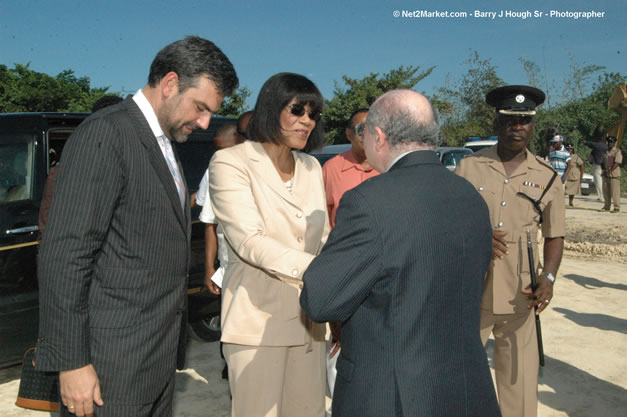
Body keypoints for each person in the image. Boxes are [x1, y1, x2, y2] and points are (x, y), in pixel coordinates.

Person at [36, 36, 238, 417]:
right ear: (170, 83)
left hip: (154, 360)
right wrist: (72, 362)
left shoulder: (162, 143)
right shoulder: (107, 134)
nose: (205, 122)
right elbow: (66, 255)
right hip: (109, 366)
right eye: (200, 107)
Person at [300, 89, 500, 417]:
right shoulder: (469, 195)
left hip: (393, 395)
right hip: (463, 389)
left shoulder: (369, 201)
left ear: (378, 136)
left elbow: (321, 300)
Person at [208, 72, 329, 417]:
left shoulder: (311, 167)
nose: (306, 121)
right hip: (255, 322)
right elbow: (249, 241)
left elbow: (322, 239)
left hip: (309, 320)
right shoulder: (231, 162)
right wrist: (321, 269)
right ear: (272, 108)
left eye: (313, 114)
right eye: (297, 110)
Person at [456, 85, 565, 417]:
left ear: (532, 126)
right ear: (496, 125)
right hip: (471, 290)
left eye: (523, 121)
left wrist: (548, 276)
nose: (516, 127)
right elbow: (449, 223)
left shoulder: (548, 178)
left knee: (518, 383)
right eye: (509, 120)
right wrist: (477, 237)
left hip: (521, 293)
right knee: (459, 376)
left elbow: (555, 235)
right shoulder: (468, 168)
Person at [322, 108, 378, 229]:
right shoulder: (332, 168)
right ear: (348, 133)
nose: (367, 135)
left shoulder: (388, 168)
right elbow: (322, 217)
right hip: (341, 245)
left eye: (372, 129)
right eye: (361, 129)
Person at [191, 123, 238, 209]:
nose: (219, 154)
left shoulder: (216, 169)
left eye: (225, 149)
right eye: (217, 149)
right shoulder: (213, 169)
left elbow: (199, 200)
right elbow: (199, 198)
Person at [601, 136, 622, 213]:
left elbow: (617, 163)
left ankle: (616, 207)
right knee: (606, 191)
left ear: (614, 143)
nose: (610, 143)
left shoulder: (617, 151)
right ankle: (606, 206)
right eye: (609, 142)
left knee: (615, 192)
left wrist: (610, 171)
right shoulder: (605, 152)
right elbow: (602, 162)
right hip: (606, 173)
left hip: (614, 174)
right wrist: (604, 170)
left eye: (611, 142)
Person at [585, 133, 607, 201]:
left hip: (597, 165)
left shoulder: (597, 145)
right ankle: (605, 196)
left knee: (598, 182)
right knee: (604, 182)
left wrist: (585, 141)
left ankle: (601, 197)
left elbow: (589, 144)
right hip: (605, 166)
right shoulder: (606, 146)